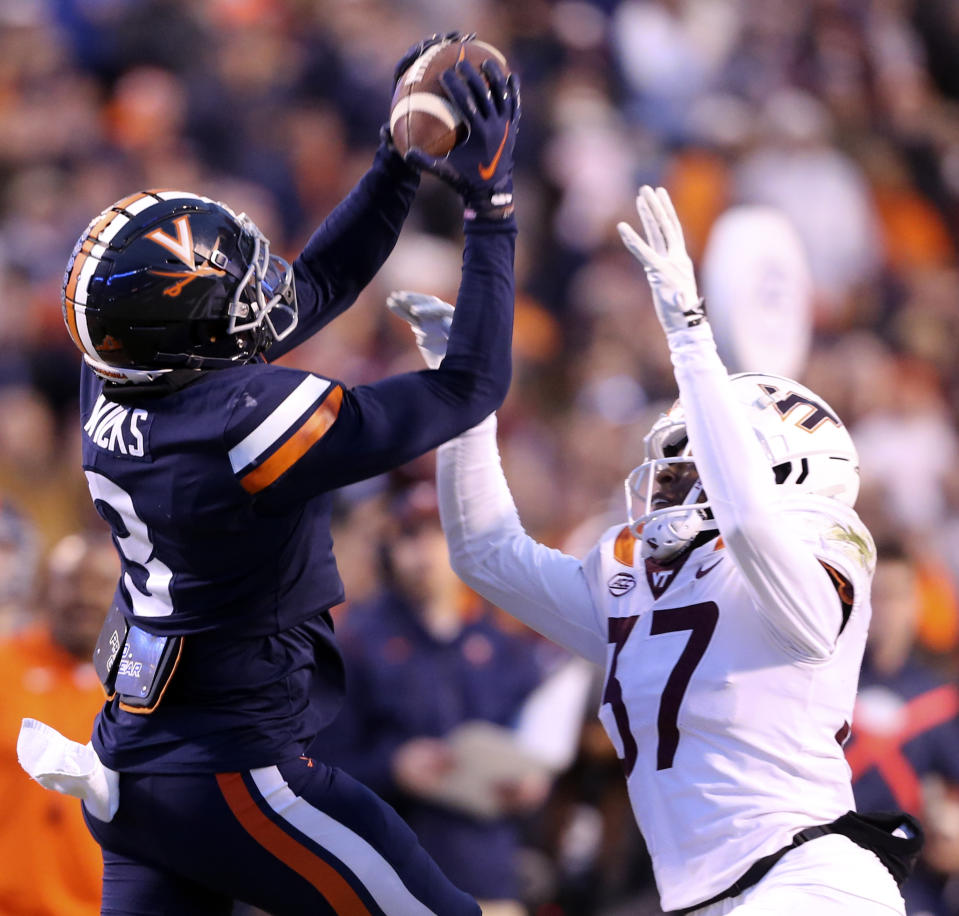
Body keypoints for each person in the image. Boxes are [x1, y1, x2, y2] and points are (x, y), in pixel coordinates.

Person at [20, 33, 520, 916]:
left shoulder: (121, 375)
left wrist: (394, 166)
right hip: (238, 777)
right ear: (195, 338)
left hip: (136, 768)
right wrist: (491, 212)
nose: (260, 288)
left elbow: (311, 286)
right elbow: (470, 385)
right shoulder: (243, 425)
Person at [390, 186, 921, 915]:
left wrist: (690, 337)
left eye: (689, 462)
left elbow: (749, 528)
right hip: (706, 897)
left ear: (777, 469)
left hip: (809, 881)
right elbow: (484, 552)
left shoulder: (821, 543)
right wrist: (464, 404)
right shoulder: (636, 580)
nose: (667, 483)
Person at [318, 481, 551, 916]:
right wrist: (393, 767)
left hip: (487, 877)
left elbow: (541, 747)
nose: (423, 552)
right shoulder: (358, 644)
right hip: (390, 881)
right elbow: (318, 767)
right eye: (410, 536)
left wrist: (532, 786)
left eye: (437, 535)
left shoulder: (505, 648)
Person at [2, 530, 118, 916]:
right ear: (44, 591)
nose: (83, 597)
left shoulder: (139, 689)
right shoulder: (6, 667)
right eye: (70, 583)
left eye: (99, 584)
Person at [847, 539, 959, 915]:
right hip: (832, 865)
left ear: (916, 605)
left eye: (897, 597)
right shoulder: (828, 686)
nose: (886, 611)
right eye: (877, 597)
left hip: (910, 879)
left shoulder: (940, 701)